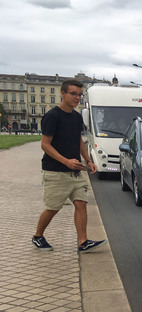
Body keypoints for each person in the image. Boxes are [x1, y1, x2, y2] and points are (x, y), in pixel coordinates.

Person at [32, 79, 106, 252]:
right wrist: (65, 161)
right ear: (63, 94)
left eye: (80, 95)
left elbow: (78, 140)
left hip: (75, 172)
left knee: (81, 203)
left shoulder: (76, 117)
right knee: (53, 208)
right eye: (73, 94)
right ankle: (38, 236)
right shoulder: (52, 116)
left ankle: (83, 242)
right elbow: (45, 144)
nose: (77, 97)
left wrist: (88, 160)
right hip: (55, 172)